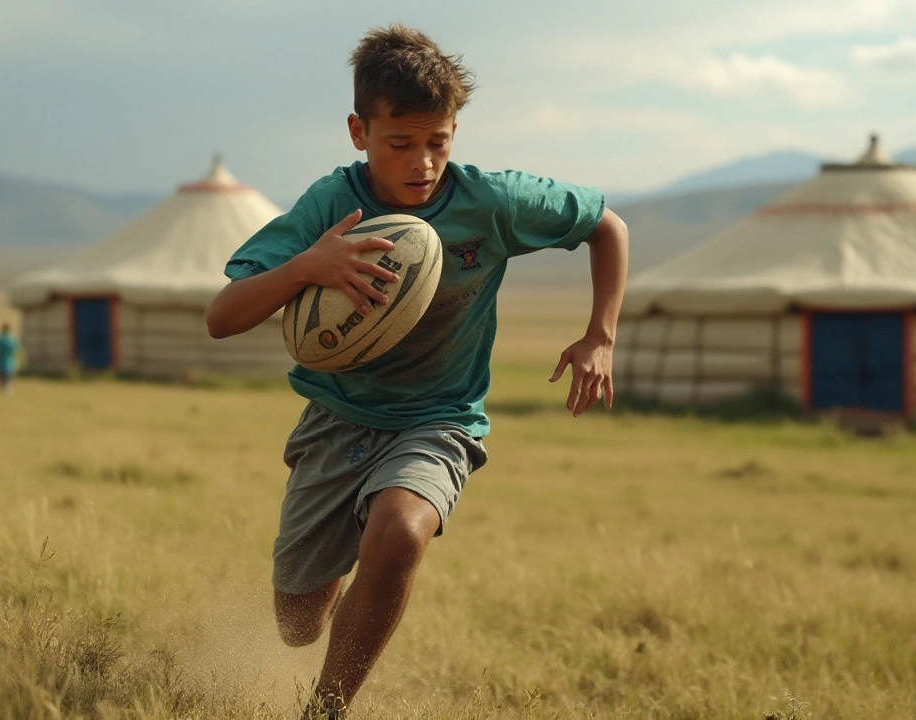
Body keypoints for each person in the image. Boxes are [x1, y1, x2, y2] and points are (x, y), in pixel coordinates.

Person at [206, 24, 628, 718]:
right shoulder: (329, 207)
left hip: (439, 421)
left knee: (400, 533)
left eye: (439, 141)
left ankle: (327, 708)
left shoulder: (489, 201)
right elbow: (223, 316)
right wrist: (308, 266)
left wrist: (599, 336)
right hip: (338, 419)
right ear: (358, 131)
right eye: (401, 143)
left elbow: (607, 225)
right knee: (296, 625)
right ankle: (339, 582)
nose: (424, 161)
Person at [0, 322, 21, 395]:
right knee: (9, 379)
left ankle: (2, 392)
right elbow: (18, 350)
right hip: (10, 363)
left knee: (1, 379)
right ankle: (7, 393)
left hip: (0, 362)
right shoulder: (12, 339)